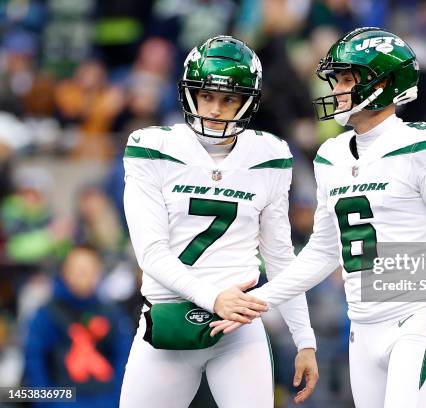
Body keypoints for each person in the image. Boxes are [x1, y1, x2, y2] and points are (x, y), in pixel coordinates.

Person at [211, 27, 426, 408]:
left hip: (417, 319)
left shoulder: (423, 147)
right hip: (361, 328)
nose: (336, 89)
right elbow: (323, 252)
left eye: (346, 79)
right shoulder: (331, 156)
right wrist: (258, 300)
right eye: (335, 79)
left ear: (384, 84)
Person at [119, 36, 318, 408]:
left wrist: (304, 338)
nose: (215, 108)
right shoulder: (152, 147)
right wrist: (215, 298)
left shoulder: (270, 155)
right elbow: (150, 253)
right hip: (168, 321)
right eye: (208, 95)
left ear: (248, 101)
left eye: (229, 99)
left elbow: (279, 256)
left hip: (238, 330)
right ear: (189, 93)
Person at [24, 245, 133, 408]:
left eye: (89, 268)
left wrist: (119, 398)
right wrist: (46, 403)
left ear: (98, 272)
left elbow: (124, 357)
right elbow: (35, 360)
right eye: (77, 268)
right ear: (64, 272)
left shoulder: (112, 313)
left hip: (106, 397)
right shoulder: (46, 314)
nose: (83, 274)